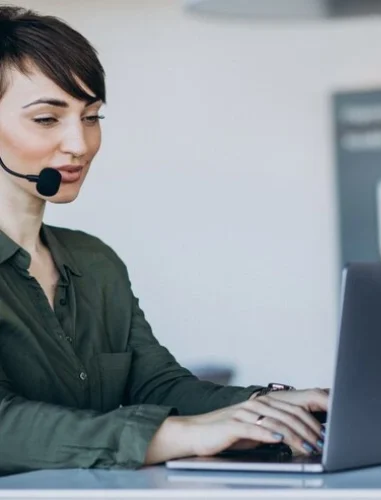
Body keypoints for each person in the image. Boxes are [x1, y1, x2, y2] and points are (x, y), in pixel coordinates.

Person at [0, 5, 328, 475]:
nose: (80, 143)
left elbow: (157, 385)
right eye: (48, 119)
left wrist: (269, 405)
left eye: (91, 117)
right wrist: (177, 435)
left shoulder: (95, 262)